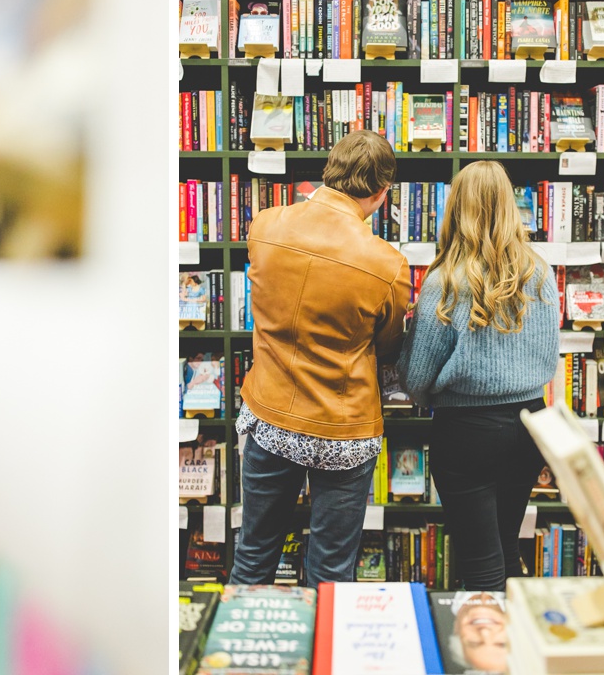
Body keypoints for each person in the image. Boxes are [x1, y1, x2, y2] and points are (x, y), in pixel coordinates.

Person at [231, 129, 411, 587]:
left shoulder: (265, 225)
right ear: (381, 193)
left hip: (271, 415)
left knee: (253, 557)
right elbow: (389, 345)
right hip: (343, 427)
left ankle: (238, 657)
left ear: (328, 172)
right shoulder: (386, 264)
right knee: (331, 572)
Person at [398, 160, 558, 591]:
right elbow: (549, 356)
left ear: (457, 209)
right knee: (507, 541)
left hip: (467, 430)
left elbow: (415, 379)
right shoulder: (542, 274)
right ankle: (518, 649)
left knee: (479, 559)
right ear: (509, 206)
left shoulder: (445, 281)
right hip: (531, 423)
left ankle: (487, 656)